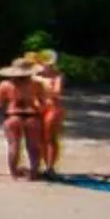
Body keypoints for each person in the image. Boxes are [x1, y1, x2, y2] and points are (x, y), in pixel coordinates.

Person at [0, 62, 39, 179]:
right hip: (32, 115)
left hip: (13, 115)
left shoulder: (5, 85)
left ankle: (14, 173)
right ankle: (34, 172)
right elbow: (42, 101)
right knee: (33, 146)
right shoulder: (35, 84)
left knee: (14, 145)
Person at [29, 49, 67, 179]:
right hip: (38, 108)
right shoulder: (35, 76)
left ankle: (50, 167)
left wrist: (44, 83)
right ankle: (38, 165)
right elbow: (31, 93)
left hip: (53, 107)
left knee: (50, 137)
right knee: (38, 138)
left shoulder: (57, 76)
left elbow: (57, 92)